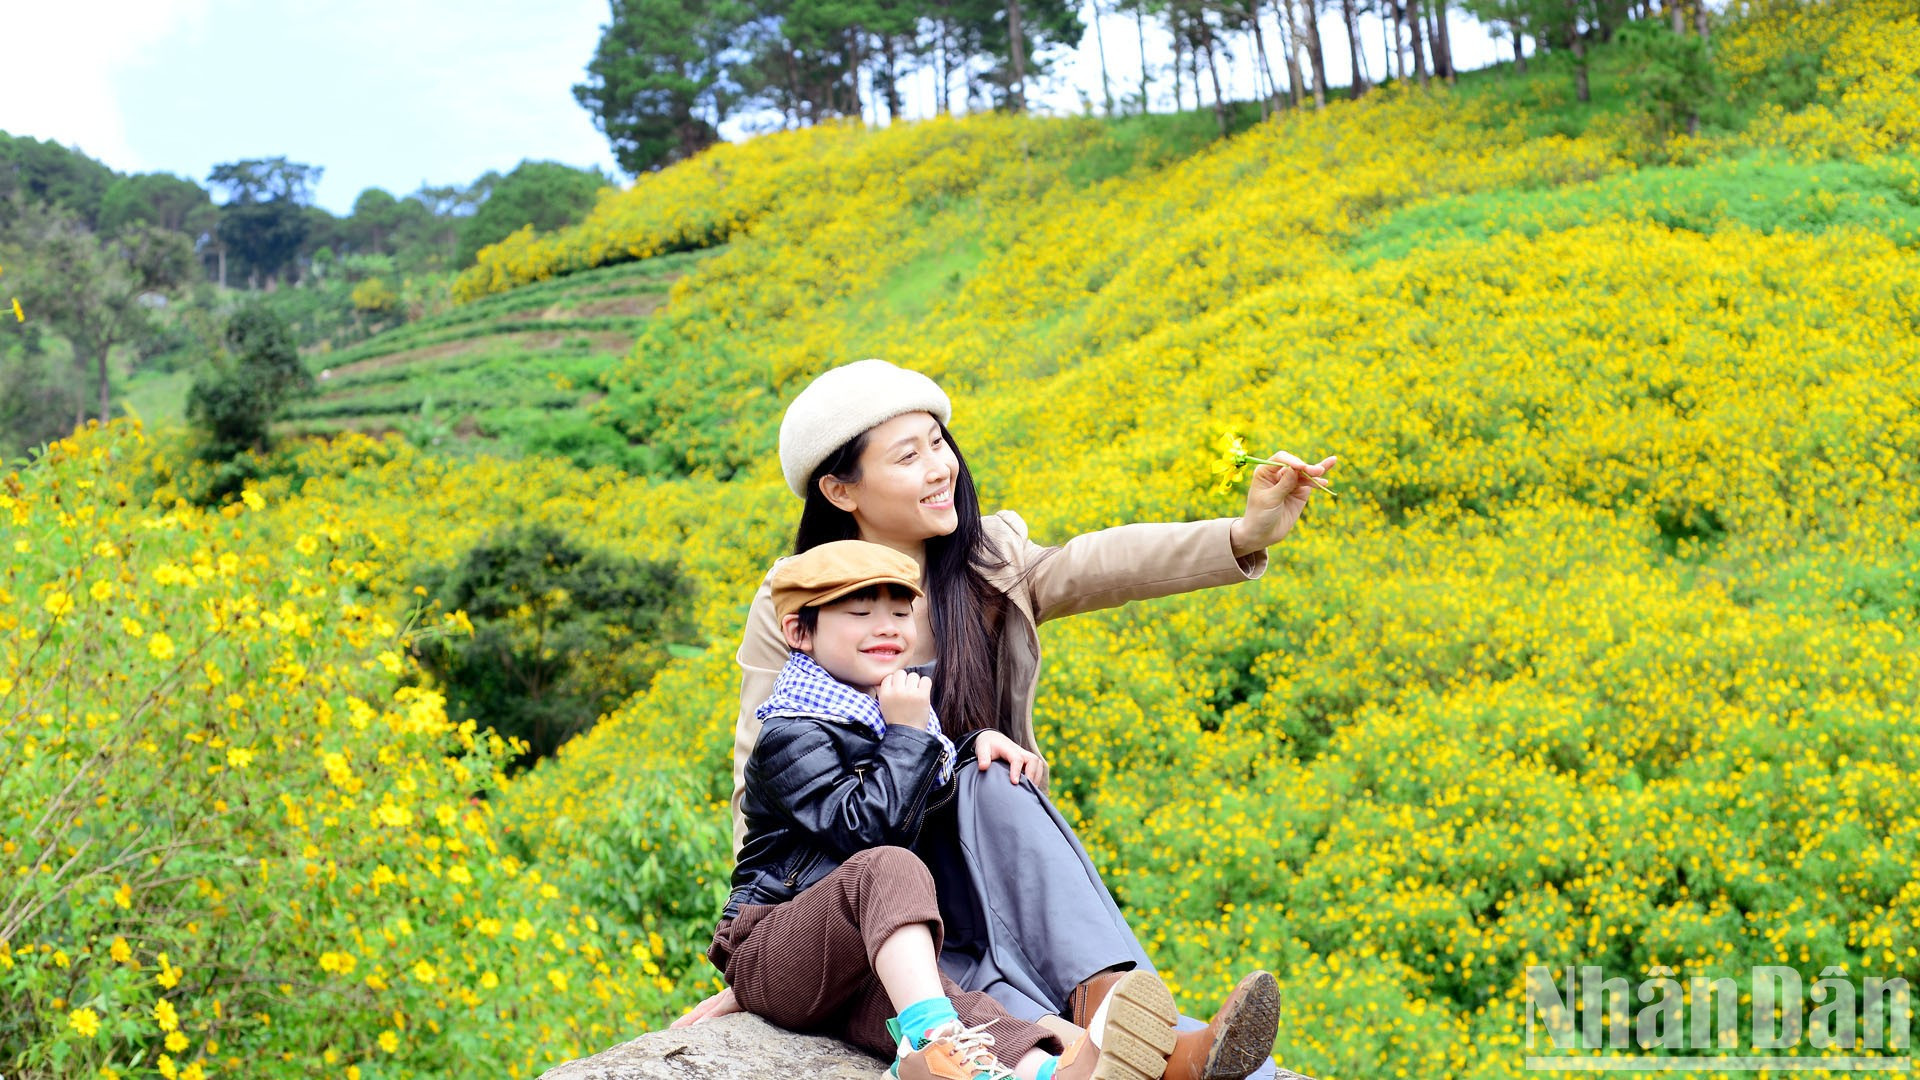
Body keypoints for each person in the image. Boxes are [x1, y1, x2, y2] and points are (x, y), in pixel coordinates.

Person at [682, 358, 1335, 1080]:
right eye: (909, 456)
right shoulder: (802, 604)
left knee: (993, 772)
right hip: (867, 881)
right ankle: (1124, 1050)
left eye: (939, 444)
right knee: (996, 1015)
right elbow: (761, 781)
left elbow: (1095, 563)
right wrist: (770, 956)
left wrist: (1245, 533)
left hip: (980, 856)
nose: (941, 470)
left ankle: (1118, 1012)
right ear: (841, 489)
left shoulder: (984, 560)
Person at [710, 537, 1187, 1080]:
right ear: (800, 632)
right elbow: (868, 835)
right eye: (860, 612)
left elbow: (903, 783)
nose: (887, 626)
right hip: (771, 945)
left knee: (949, 998)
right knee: (891, 868)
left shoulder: (884, 715)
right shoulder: (791, 733)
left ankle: (1041, 1072)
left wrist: (968, 745)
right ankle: (936, 1044)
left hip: (856, 963)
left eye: (899, 610)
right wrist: (911, 736)